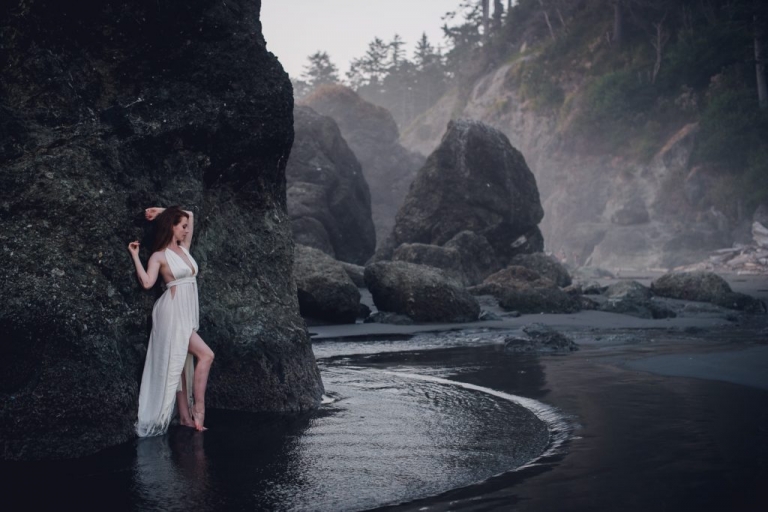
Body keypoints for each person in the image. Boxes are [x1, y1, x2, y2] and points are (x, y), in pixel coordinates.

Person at [128, 206, 214, 434]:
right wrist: (136, 256)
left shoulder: (184, 249)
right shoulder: (158, 256)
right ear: (172, 227)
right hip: (171, 313)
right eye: (182, 227)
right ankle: (199, 409)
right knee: (206, 355)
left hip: (186, 313)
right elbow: (147, 283)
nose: (187, 231)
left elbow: (192, 214)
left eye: (187, 227)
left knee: (182, 362)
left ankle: (185, 418)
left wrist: (163, 211)